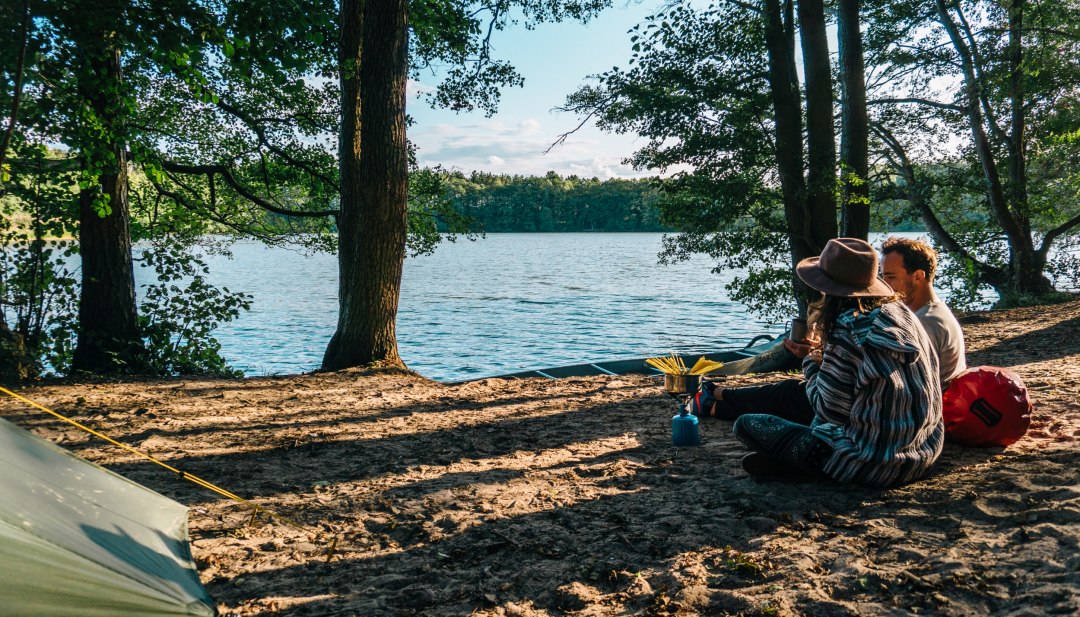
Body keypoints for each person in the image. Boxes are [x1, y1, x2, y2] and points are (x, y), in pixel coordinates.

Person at [695, 237, 945, 485]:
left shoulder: (849, 329)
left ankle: (809, 466)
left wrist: (811, 360)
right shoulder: (901, 314)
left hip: (874, 463)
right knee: (789, 400)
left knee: (747, 425)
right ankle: (793, 461)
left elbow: (829, 411)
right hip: (923, 454)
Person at [879, 236, 967, 385]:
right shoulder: (936, 311)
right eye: (882, 276)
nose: (884, 285)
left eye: (890, 277)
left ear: (918, 276)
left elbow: (906, 383)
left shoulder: (925, 321)